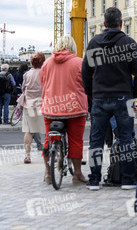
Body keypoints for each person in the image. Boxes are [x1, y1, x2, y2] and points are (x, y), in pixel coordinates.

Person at [82, 7, 137, 190]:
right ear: (121, 23)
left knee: (96, 140)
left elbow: (86, 72)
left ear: (104, 24)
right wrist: (134, 93)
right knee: (125, 138)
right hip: (123, 97)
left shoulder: (94, 42)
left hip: (100, 97)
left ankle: (94, 180)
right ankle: (127, 179)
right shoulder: (129, 43)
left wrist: (90, 94)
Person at [40, 36, 89, 185]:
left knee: (49, 139)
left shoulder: (47, 63)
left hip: (52, 107)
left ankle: (48, 174)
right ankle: (77, 174)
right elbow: (87, 83)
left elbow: (43, 82)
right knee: (75, 141)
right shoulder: (79, 62)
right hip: (74, 108)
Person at [21, 53, 46, 164]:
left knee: (29, 131)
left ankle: (27, 155)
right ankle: (49, 153)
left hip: (29, 105)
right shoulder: (44, 73)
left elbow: (23, 89)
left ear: (32, 62)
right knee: (46, 131)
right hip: (42, 104)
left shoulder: (27, 74)